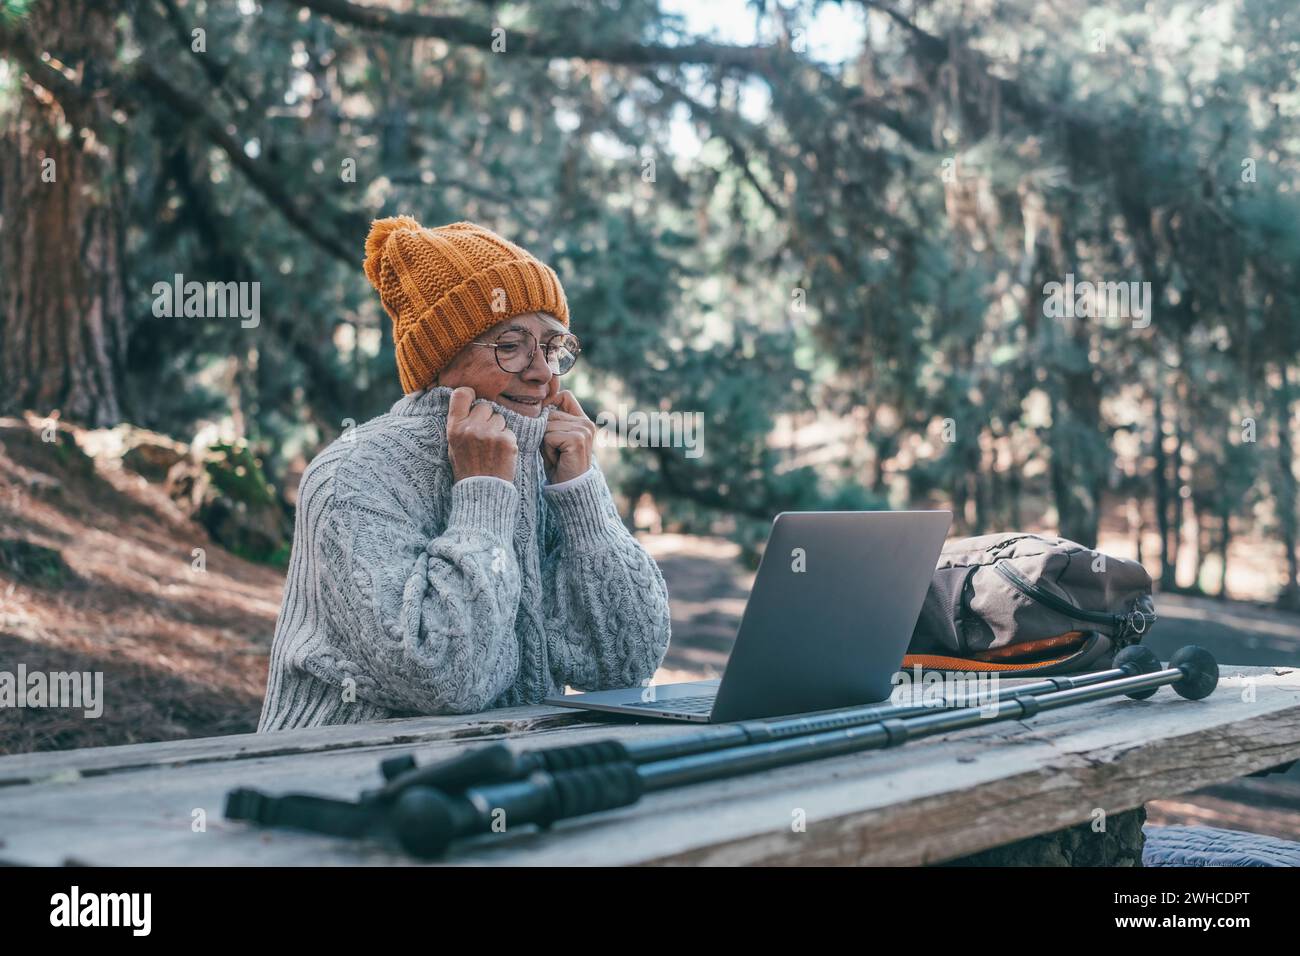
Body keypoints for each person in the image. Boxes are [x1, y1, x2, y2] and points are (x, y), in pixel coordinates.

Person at [257, 216, 672, 731]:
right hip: (344, 782)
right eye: (511, 344)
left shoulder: (546, 461)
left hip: (510, 775)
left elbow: (625, 664)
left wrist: (583, 498)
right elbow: (444, 680)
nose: (541, 371)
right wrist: (482, 495)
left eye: (552, 346)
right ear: (441, 358)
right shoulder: (352, 475)